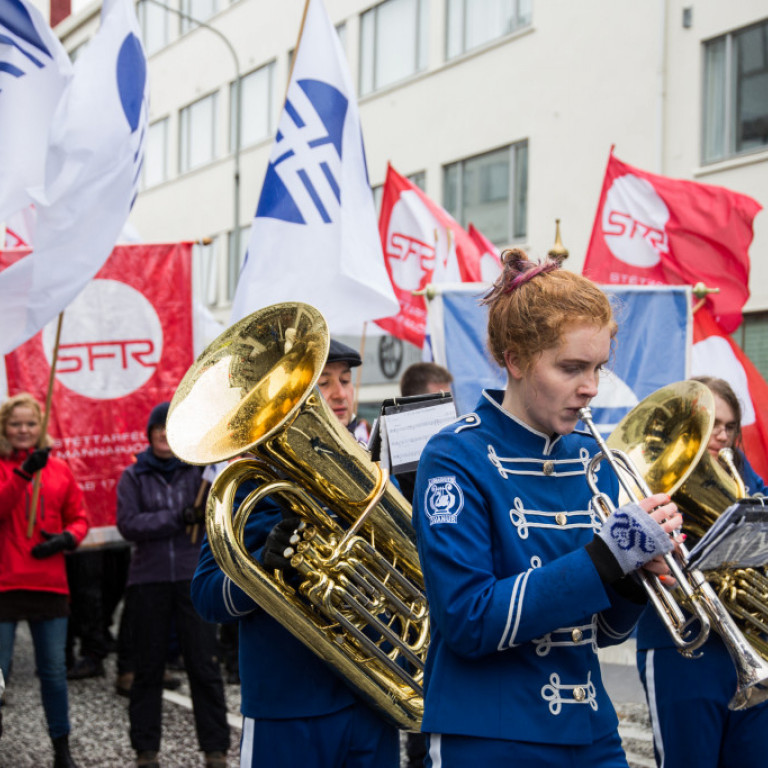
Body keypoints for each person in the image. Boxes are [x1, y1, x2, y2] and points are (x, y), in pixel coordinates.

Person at [412, 250, 683, 767]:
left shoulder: (591, 457)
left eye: (598, 368)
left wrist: (631, 579)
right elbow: (468, 621)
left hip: (589, 727)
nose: (590, 389)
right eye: (571, 368)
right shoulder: (453, 456)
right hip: (489, 733)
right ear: (514, 359)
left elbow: (602, 633)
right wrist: (604, 560)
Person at [191, 338, 400, 768]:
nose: (340, 394)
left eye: (345, 381)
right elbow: (206, 595)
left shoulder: (376, 475)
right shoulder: (250, 485)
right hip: (289, 705)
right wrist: (263, 574)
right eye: (323, 384)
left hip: (374, 699)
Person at [635, 375, 768, 768]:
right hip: (684, 649)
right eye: (714, 425)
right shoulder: (650, 483)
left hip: (751, 646)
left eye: (730, 426)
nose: (722, 436)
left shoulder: (747, 481)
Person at [116, 402, 230, 768]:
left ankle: (215, 748)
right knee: (147, 668)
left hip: (191, 576)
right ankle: (145, 749)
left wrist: (202, 512)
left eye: (169, 428)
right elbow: (129, 523)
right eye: (157, 428)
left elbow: (215, 514)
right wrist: (175, 519)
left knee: (203, 665)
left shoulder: (199, 473)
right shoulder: (133, 477)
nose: (163, 434)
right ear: (149, 434)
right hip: (147, 580)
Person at [0, 393, 89, 768]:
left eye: (30, 423)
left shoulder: (59, 469)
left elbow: (80, 517)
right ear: (4, 427)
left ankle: (61, 748)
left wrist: (68, 538)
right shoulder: (6, 467)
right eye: (16, 423)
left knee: (53, 673)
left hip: (49, 583)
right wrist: (22, 474)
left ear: (41, 427)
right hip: (4, 584)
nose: (23, 430)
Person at [396, 362, 453, 768]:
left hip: (447, 609)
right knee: (419, 721)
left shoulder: (456, 459)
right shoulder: (391, 462)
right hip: (408, 615)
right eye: (439, 403)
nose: (448, 414)